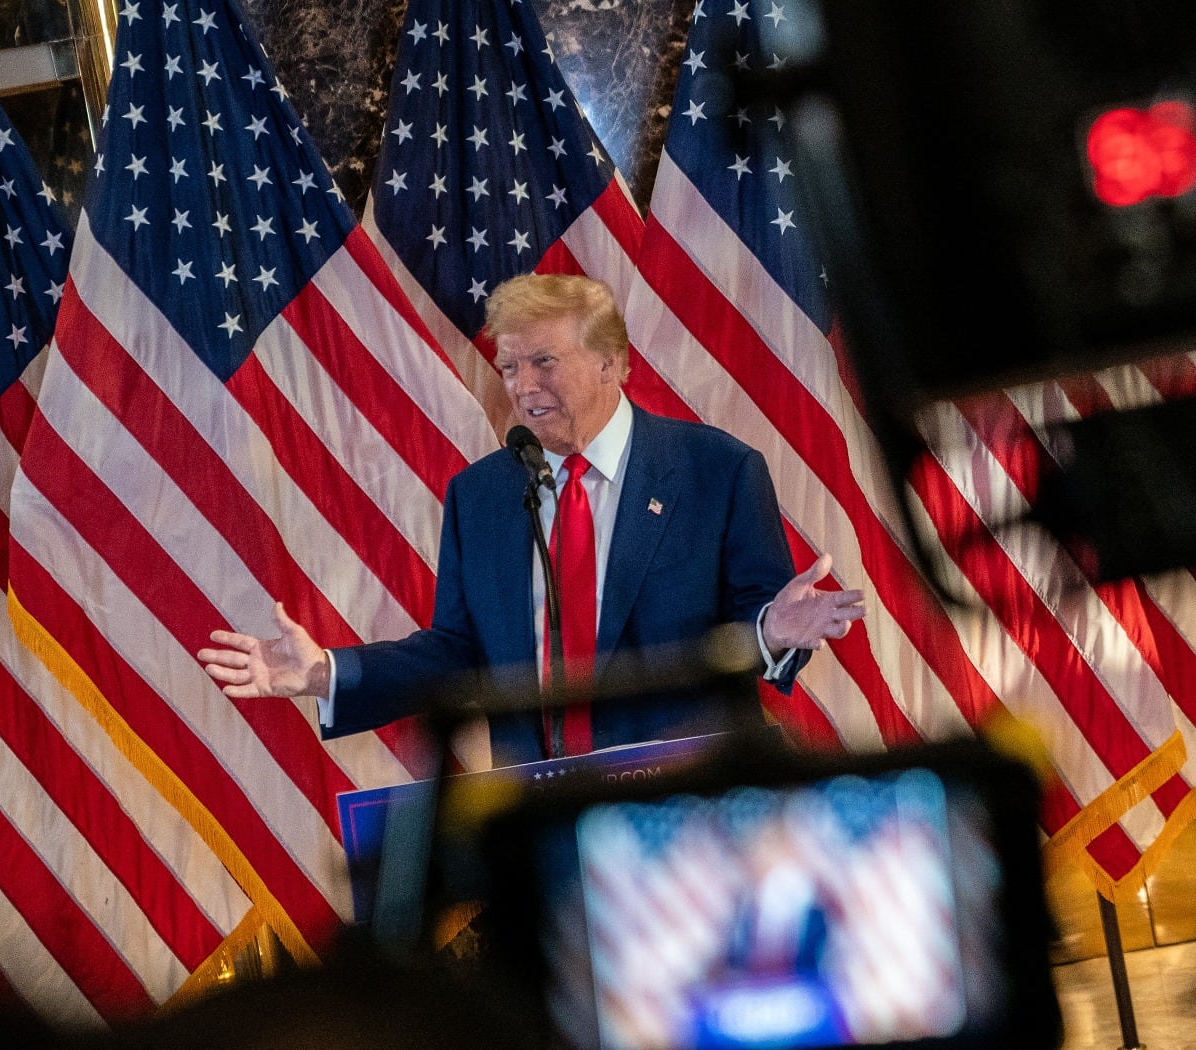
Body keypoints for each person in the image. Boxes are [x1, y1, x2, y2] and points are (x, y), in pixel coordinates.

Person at [199, 274, 865, 764]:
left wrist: (771, 630)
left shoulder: (714, 472)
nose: (521, 386)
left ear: (610, 361)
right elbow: (457, 653)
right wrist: (329, 674)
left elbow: (756, 624)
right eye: (510, 366)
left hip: (687, 810)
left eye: (543, 362)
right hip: (542, 817)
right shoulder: (481, 495)